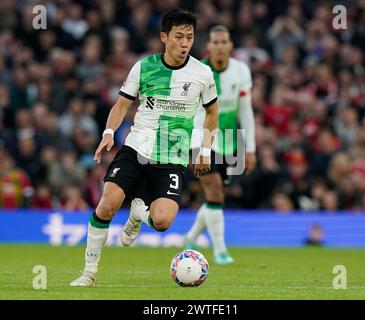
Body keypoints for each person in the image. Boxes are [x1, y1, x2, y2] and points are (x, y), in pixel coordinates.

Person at [70, 8, 218, 286]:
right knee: (106, 206)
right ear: (164, 37)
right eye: (179, 36)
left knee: (162, 222)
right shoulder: (143, 67)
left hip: (171, 158)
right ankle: (89, 273)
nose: (185, 43)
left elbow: (212, 114)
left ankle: (139, 213)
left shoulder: (202, 74)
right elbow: (122, 104)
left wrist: (206, 149)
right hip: (136, 148)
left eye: (190, 37)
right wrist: (109, 132)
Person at [184, 25, 256, 265]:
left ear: (230, 45)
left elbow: (245, 111)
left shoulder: (241, 71)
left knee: (217, 196)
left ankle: (192, 236)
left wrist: (250, 148)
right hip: (199, 138)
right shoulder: (196, 71)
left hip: (229, 142)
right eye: (215, 42)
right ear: (209, 47)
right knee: (214, 190)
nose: (219, 47)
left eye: (224, 42)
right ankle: (220, 251)